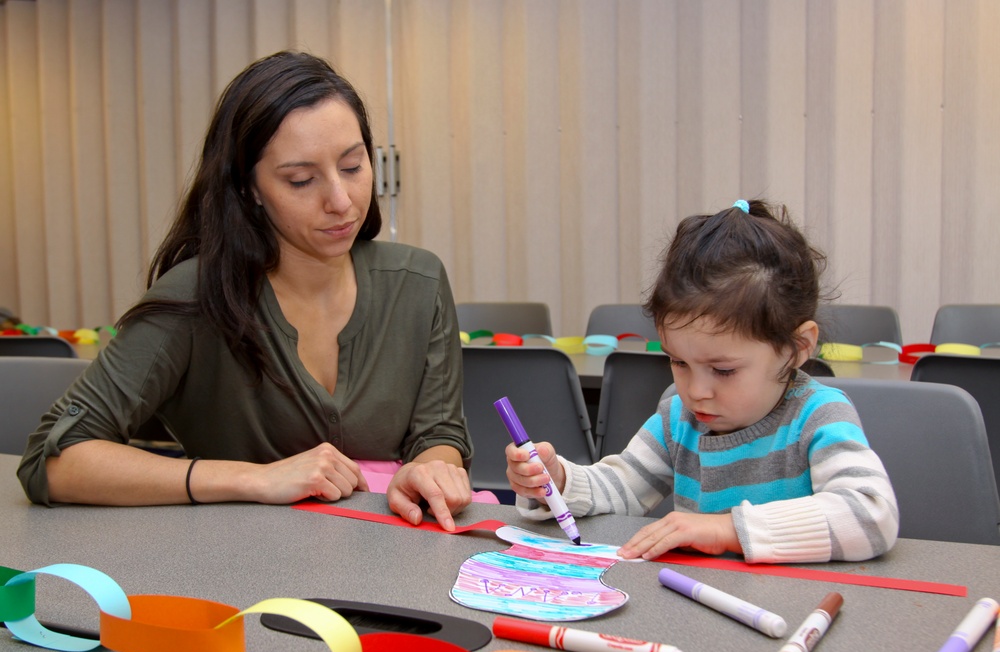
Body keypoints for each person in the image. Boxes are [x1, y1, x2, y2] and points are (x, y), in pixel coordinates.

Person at [17, 51, 487, 531]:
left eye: (352, 166)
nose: (341, 201)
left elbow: (439, 432)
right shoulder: (196, 296)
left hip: (391, 560)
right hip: (241, 571)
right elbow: (52, 461)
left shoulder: (419, 281)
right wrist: (254, 480)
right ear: (250, 189)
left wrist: (431, 467)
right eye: (301, 180)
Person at [506, 199, 899, 563]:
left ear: (797, 347)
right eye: (678, 361)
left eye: (724, 370)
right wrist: (557, 479)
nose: (695, 390)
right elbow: (623, 487)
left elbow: (871, 514)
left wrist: (728, 529)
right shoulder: (679, 416)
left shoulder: (818, 416)